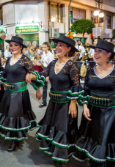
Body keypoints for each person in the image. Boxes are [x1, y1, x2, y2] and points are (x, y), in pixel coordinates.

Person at [30, 36, 82, 166]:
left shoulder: (72, 65)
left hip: (65, 104)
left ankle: (60, 158)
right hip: (53, 103)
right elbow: (43, 75)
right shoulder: (53, 63)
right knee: (53, 127)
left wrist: (73, 103)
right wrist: (32, 75)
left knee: (62, 129)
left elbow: (76, 86)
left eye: (61, 45)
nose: (57, 47)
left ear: (69, 49)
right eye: (57, 45)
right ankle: (55, 151)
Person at [0, 36, 42, 152]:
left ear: (21, 47)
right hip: (8, 93)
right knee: (7, 114)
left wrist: (36, 88)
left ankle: (15, 140)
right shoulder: (8, 60)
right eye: (11, 45)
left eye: (16, 45)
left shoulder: (25, 59)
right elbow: (4, 76)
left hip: (19, 93)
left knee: (15, 116)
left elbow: (35, 75)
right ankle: (13, 136)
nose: (13, 47)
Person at [73, 40, 115, 167]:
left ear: (109, 54)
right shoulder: (91, 70)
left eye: (100, 51)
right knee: (93, 139)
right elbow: (86, 90)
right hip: (92, 112)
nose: (95, 53)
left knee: (106, 140)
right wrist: (85, 106)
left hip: (110, 113)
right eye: (95, 50)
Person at [39, 42, 54, 108]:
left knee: (52, 86)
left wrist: (49, 75)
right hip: (44, 69)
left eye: (44, 47)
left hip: (49, 70)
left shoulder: (50, 55)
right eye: (42, 47)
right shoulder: (43, 54)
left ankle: (53, 102)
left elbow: (51, 65)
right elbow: (43, 62)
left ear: (48, 47)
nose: (43, 48)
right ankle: (44, 102)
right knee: (44, 86)